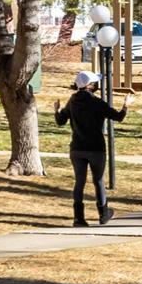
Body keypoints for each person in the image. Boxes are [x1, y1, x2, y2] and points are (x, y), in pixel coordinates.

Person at [54, 71, 132, 227]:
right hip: (96, 148)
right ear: (89, 85)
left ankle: (78, 218)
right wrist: (125, 106)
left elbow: (60, 121)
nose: (96, 85)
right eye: (95, 83)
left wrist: (56, 110)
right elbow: (118, 117)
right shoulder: (96, 102)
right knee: (98, 181)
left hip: (77, 148)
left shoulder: (72, 101)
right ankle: (103, 214)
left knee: (79, 182)